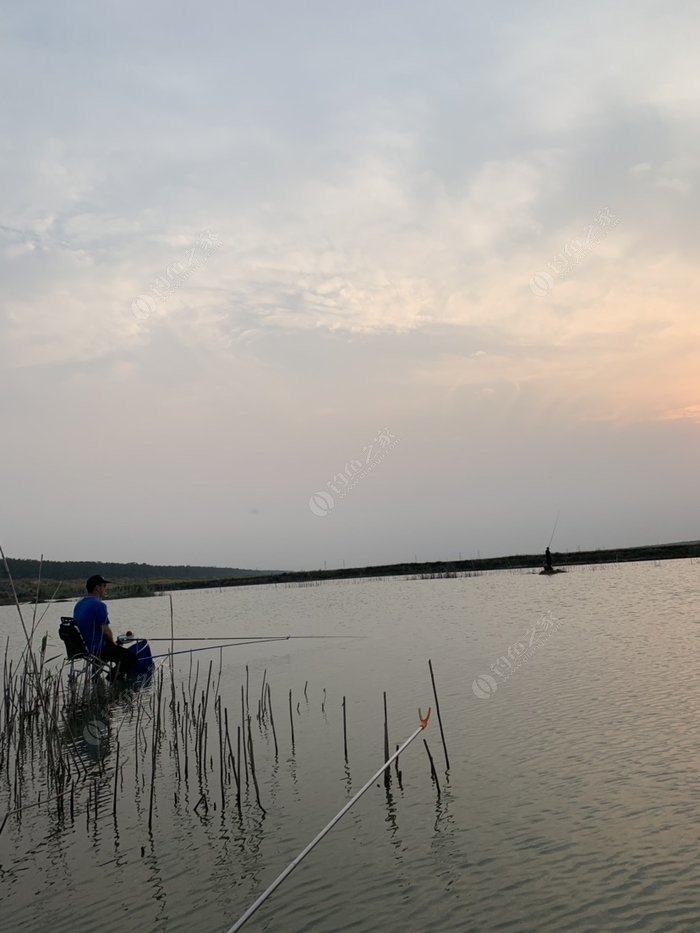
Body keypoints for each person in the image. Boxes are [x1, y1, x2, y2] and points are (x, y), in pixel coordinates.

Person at [73, 575, 138, 679]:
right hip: (97, 648)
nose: (105, 588)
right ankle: (112, 680)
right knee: (131, 658)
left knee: (110, 646)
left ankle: (96, 679)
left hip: (83, 647)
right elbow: (106, 631)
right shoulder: (99, 605)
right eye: (104, 586)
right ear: (97, 588)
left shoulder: (79, 604)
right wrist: (113, 644)